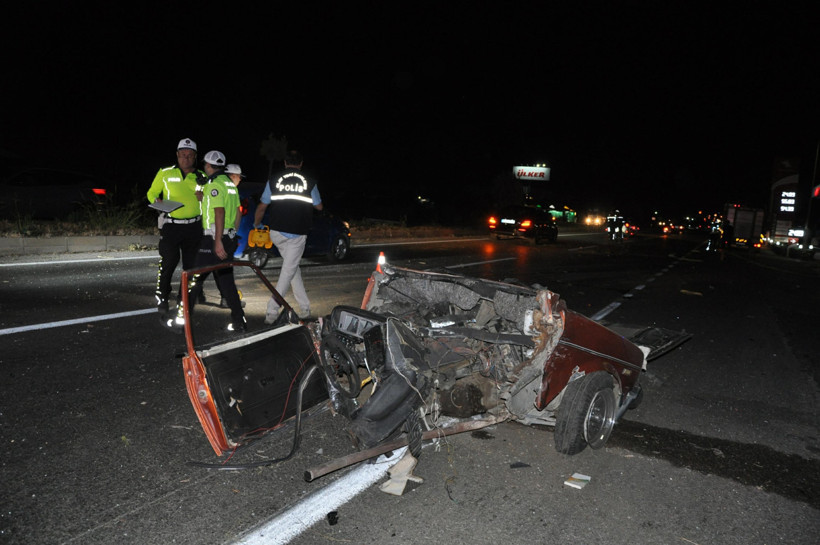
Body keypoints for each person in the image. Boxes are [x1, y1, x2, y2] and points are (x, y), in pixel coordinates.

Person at [166, 151, 246, 333]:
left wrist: (218, 241)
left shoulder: (215, 185)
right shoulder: (229, 184)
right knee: (226, 281)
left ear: (209, 166)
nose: (204, 167)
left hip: (213, 239)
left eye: (205, 165)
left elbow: (219, 212)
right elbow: (238, 212)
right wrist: (230, 235)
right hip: (228, 237)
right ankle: (239, 321)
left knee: (193, 278)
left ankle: (181, 320)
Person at [253, 150, 322, 322]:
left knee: (293, 268)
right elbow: (319, 207)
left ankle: (305, 307)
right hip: (297, 234)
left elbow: (262, 206)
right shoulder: (310, 182)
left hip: (276, 232)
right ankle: (272, 311)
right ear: (301, 163)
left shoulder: (273, 180)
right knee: (288, 271)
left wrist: (256, 225)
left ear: (284, 163)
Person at [146, 138, 205, 317]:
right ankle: (162, 296)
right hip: (171, 225)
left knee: (190, 267)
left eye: (189, 155)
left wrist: (204, 196)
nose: (186, 158)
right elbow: (151, 193)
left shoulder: (202, 176)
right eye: (182, 155)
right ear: (177, 155)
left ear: (195, 157)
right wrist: (157, 202)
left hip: (194, 227)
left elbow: (212, 200)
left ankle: (183, 300)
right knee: (168, 262)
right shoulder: (165, 173)